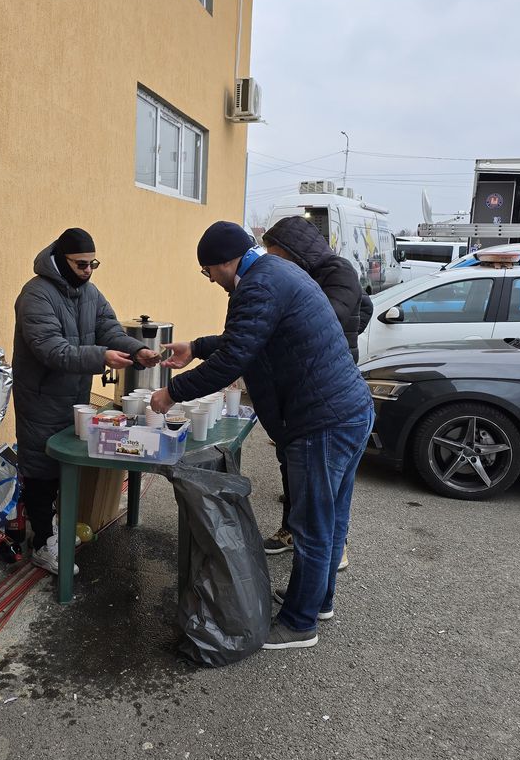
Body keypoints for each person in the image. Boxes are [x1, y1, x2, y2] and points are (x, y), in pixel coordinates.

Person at [150, 221, 374, 650]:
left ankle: (299, 622)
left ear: (225, 262)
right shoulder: (274, 273)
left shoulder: (257, 285)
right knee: (331, 517)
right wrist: (195, 347)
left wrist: (171, 393)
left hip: (322, 421)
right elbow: (247, 337)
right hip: (346, 411)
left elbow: (236, 356)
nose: (211, 280)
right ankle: (317, 601)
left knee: (311, 524)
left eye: (208, 271)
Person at [13, 229, 160, 575]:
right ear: (60, 261)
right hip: (41, 395)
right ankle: (42, 543)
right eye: (81, 264)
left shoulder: (89, 293)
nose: (89, 270)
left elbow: (108, 328)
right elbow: (51, 349)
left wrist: (135, 350)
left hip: (75, 395)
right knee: (40, 467)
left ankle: (54, 529)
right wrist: (103, 357)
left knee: (65, 465)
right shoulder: (36, 295)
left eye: (93, 263)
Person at [259, 215, 374, 564]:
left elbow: (343, 312)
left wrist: (338, 342)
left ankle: (332, 549)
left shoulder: (337, 271)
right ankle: (292, 530)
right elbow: (364, 307)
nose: (271, 261)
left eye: (275, 253)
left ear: (294, 250)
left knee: (325, 480)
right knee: (293, 465)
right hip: (298, 386)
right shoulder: (304, 275)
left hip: (329, 386)